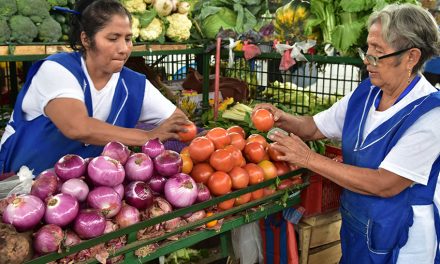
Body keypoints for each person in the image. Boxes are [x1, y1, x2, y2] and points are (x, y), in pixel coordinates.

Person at [255, 4, 440, 264]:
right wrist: (283, 118)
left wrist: (308, 159)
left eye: (378, 53)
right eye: (367, 50)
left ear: (411, 57)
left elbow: (384, 184)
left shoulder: (431, 114)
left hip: (403, 241)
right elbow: (314, 127)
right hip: (357, 227)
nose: (368, 60)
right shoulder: (367, 92)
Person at [0, 0, 190, 175]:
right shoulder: (57, 70)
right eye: (113, 38)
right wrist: (147, 136)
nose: (124, 48)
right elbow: (77, 127)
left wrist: (187, 134)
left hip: (83, 194)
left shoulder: (133, 84)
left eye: (128, 39)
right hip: (19, 187)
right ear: (86, 39)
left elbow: (180, 123)